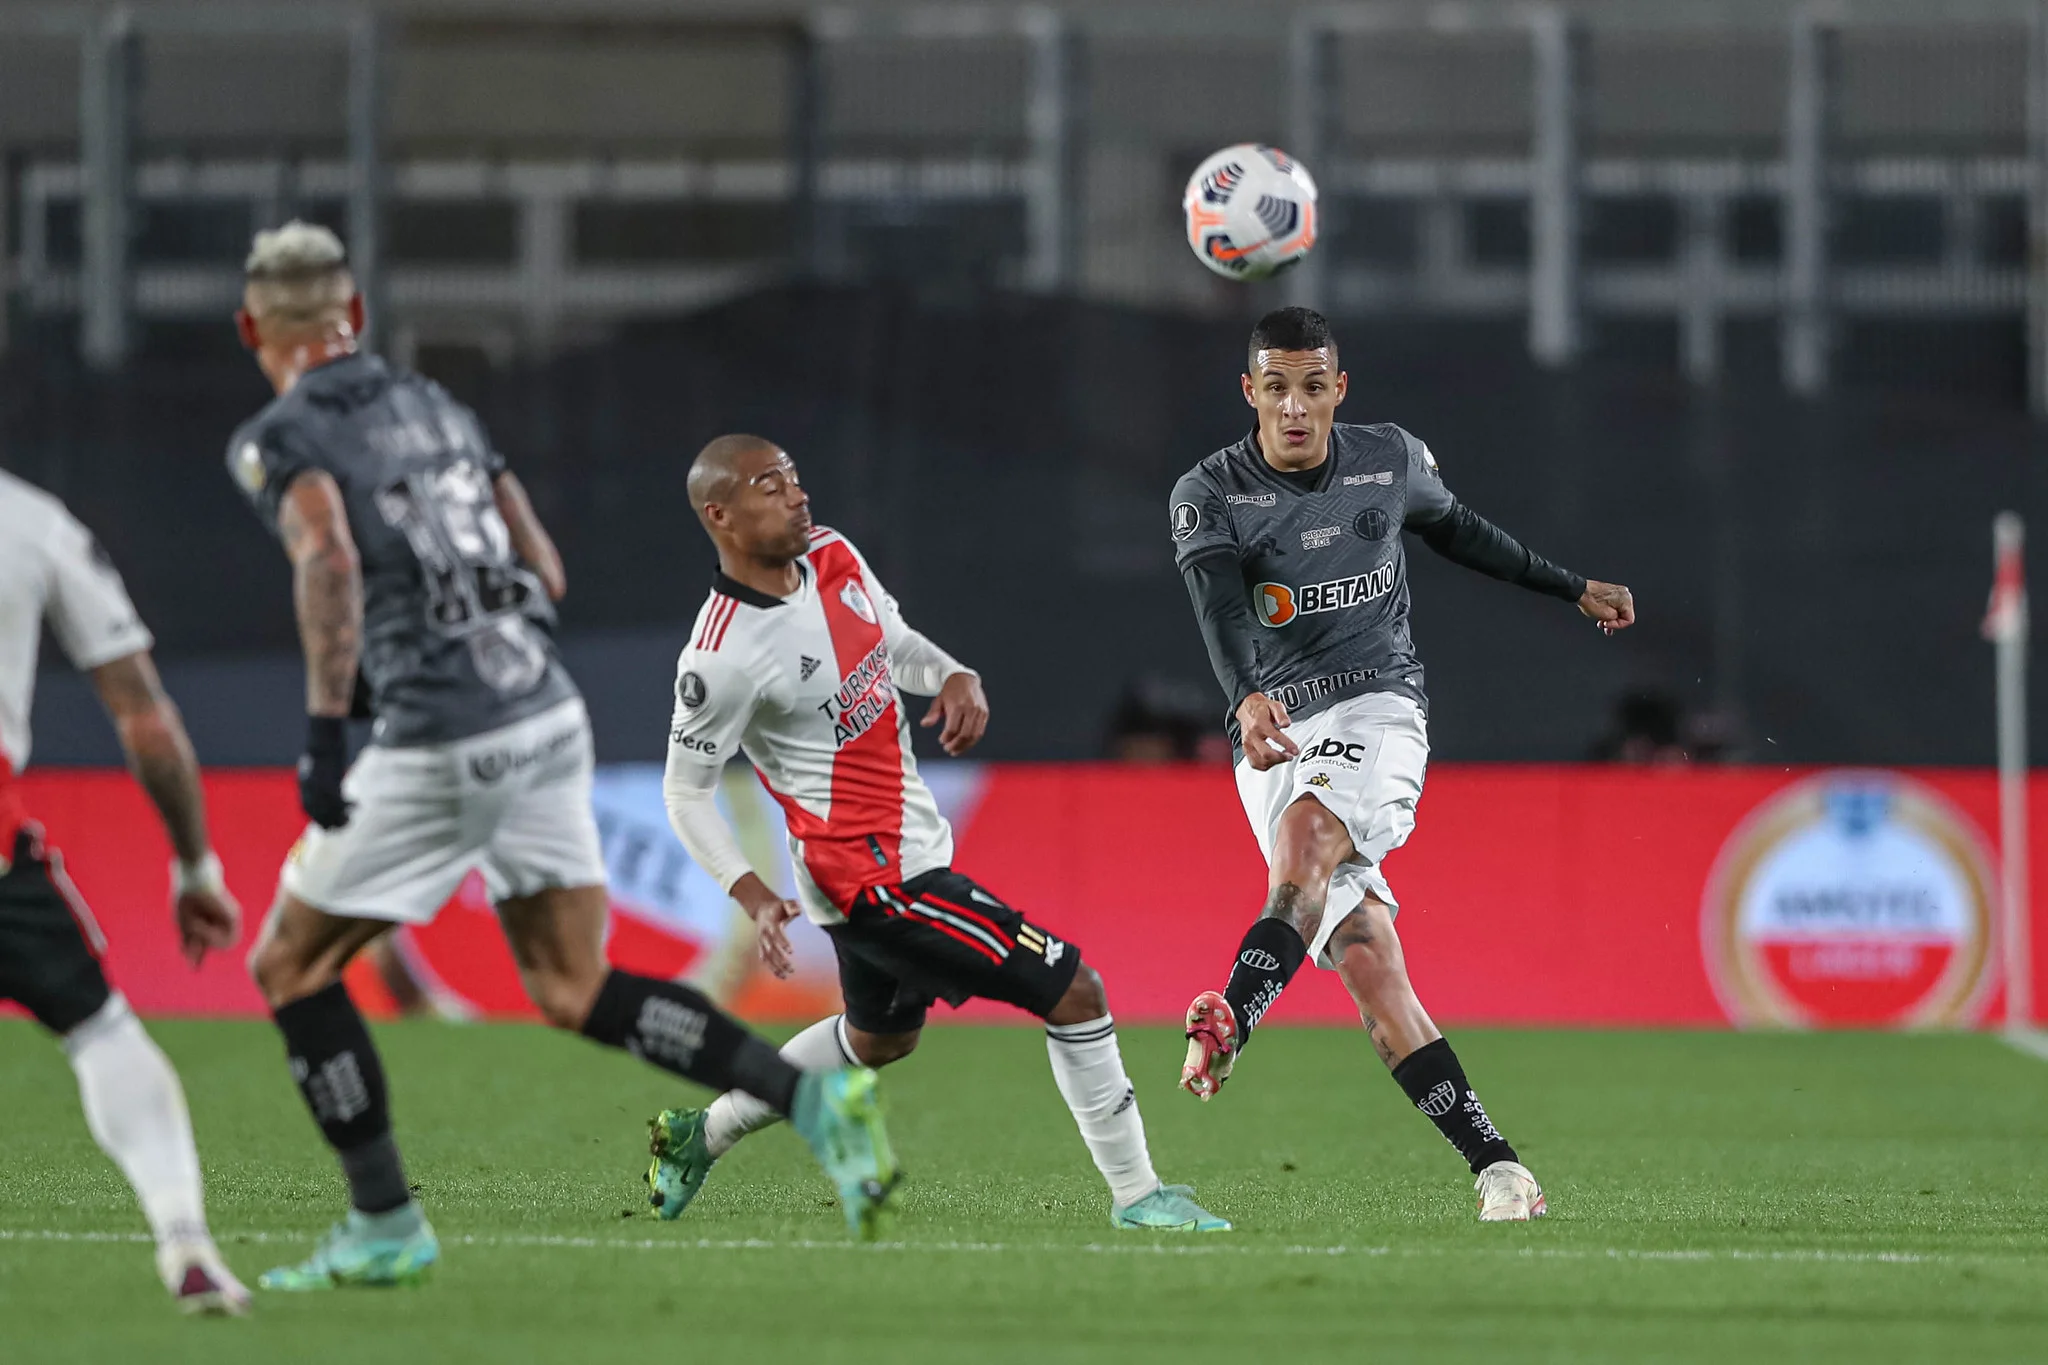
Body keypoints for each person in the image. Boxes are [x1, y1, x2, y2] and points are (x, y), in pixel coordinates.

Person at [224, 223, 898, 1289]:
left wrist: (323, 728)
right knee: (573, 985)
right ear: (352, 317)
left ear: (253, 327)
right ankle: (807, 1098)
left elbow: (328, 560)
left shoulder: (280, 434)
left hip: (440, 735)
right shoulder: (438, 407)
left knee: (289, 965)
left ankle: (386, 1222)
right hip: (541, 713)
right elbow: (541, 567)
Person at [649, 434, 1228, 1233]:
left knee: (879, 1039)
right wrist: (749, 892)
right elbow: (685, 791)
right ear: (720, 514)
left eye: (794, 476)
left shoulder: (835, 554)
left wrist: (952, 673)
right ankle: (1139, 1195)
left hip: (908, 849)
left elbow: (893, 643)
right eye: (769, 485)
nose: (796, 494)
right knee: (1075, 989)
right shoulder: (720, 659)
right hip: (871, 881)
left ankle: (697, 1135)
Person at [1168, 307, 1636, 1222]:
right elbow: (1220, 607)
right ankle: (1501, 1169)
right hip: (1272, 730)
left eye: (1313, 386)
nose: (1295, 407)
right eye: (1276, 388)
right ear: (1250, 392)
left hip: (1379, 707)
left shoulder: (1391, 458)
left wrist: (1570, 586)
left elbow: (1460, 529)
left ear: (1339, 388)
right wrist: (1246, 697)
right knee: (1373, 969)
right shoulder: (1210, 491)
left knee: (1304, 847)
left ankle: (1231, 1016)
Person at [0, 470, 250, 1314]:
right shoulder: (30, 521)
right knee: (102, 1031)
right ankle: (186, 1240)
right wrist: (194, 864)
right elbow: (144, 716)